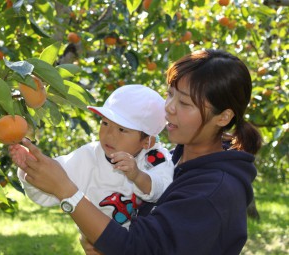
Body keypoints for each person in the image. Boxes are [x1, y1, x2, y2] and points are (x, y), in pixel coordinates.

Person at [14, 49, 262, 255]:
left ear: (224, 116)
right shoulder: (171, 159)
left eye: (185, 103)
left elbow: (138, 248)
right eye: (170, 94)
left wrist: (66, 190)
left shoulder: (214, 191)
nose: (170, 108)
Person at [9, 84, 174, 232]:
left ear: (147, 141)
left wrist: (138, 176)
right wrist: (29, 168)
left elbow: (163, 189)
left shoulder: (155, 158)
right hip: (102, 241)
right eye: (105, 123)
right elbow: (50, 186)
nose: (109, 134)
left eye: (122, 130)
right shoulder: (88, 157)